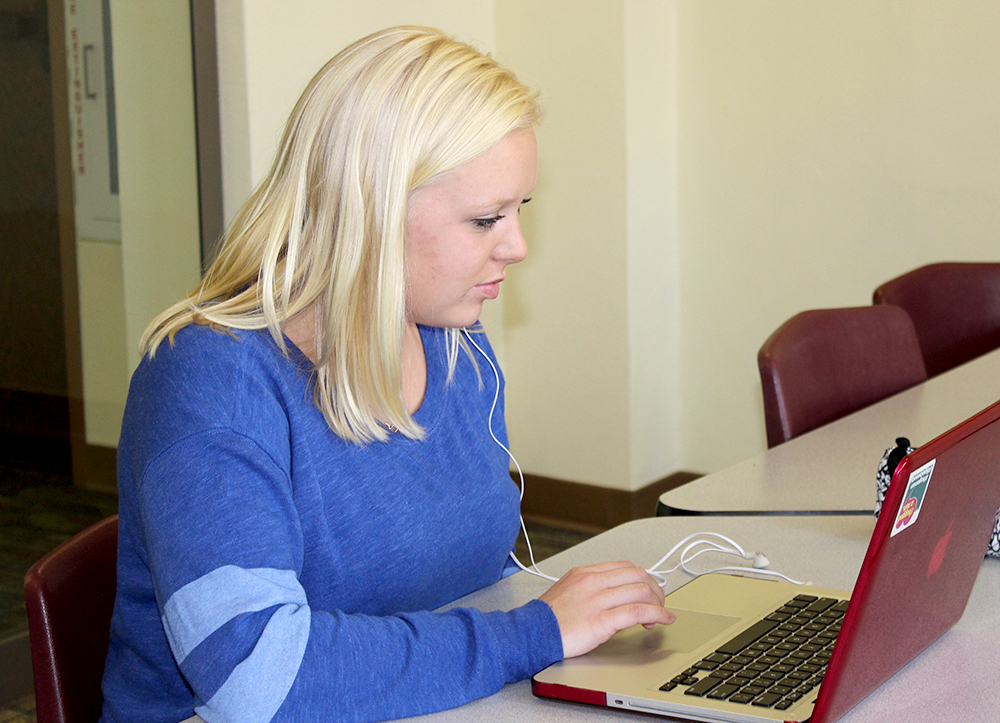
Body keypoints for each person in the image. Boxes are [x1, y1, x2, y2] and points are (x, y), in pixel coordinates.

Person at [99, 26, 674, 723]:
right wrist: (532, 634)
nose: (517, 246)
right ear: (368, 211)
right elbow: (256, 681)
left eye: (518, 210)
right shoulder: (210, 383)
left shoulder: (452, 341)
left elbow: (474, 578)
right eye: (485, 219)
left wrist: (573, 630)